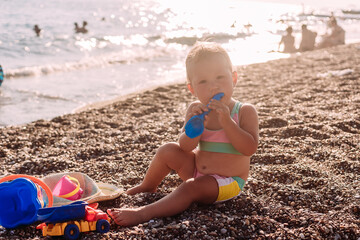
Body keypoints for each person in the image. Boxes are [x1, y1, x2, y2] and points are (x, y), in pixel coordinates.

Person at [107, 42, 259, 226]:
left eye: (220, 77)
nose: (213, 86)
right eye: (203, 81)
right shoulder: (195, 109)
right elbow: (186, 147)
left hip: (228, 182)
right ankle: (148, 185)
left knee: (189, 188)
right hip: (196, 170)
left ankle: (142, 214)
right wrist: (195, 127)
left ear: (234, 78)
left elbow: (249, 149)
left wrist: (227, 122)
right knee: (167, 150)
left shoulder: (243, 111)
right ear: (192, 89)